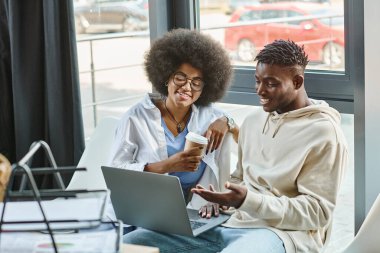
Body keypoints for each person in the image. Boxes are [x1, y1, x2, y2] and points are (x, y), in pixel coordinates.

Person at [124, 39, 348, 253]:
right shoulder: (253, 120)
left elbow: (318, 213)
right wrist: (222, 198)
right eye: (258, 80)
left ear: (297, 82)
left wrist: (247, 200)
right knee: (133, 241)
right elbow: (240, 177)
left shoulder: (324, 133)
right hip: (230, 222)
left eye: (271, 84)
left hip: (281, 233)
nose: (260, 91)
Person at [107, 28, 237, 212]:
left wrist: (227, 121)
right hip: (143, 206)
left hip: (193, 210)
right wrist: (167, 165)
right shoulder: (136, 117)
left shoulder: (208, 115)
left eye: (196, 82)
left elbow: (245, 143)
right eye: (180, 77)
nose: (187, 87)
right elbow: (116, 172)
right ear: (166, 77)